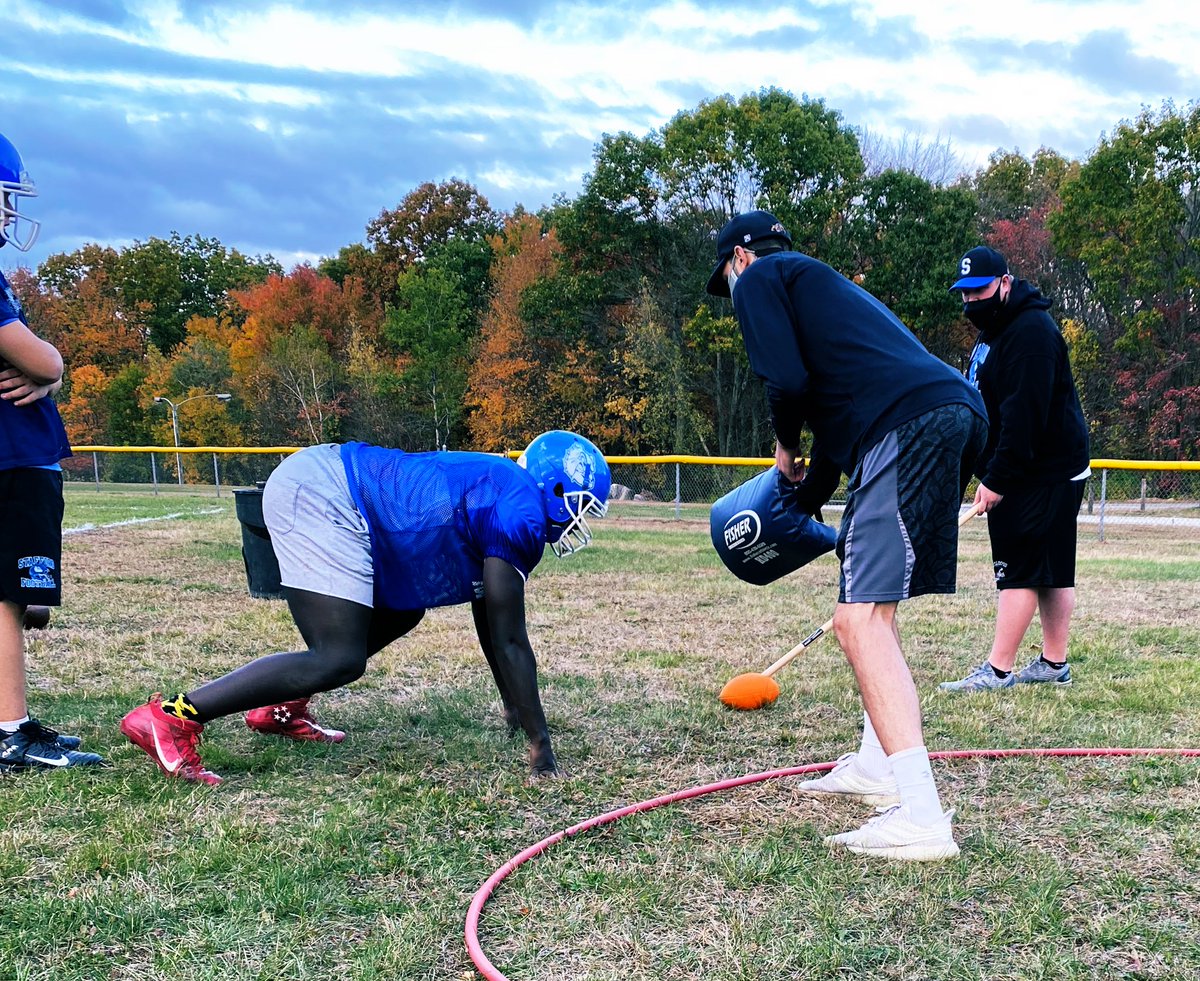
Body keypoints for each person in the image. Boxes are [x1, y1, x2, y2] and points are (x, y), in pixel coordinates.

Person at [706, 211, 988, 861]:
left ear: (740, 259)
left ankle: (920, 814)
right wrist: (807, 494)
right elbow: (837, 412)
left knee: (857, 617)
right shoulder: (823, 289)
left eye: (727, 279)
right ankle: (875, 764)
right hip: (951, 415)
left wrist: (783, 453)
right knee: (874, 606)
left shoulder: (759, 279)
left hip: (906, 423)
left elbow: (789, 384)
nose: (732, 296)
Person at [120, 430, 610, 785]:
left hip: (334, 482)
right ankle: (173, 714)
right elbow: (509, 638)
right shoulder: (520, 507)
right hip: (328, 490)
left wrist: (513, 709)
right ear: (558, 489)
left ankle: (280, 708)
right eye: (581, 506)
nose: (579, 521)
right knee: (337, 655)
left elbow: (491, 622)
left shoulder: (506, 487)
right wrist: (541, 749)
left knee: (402, 611)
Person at [1, 130, 106, 770]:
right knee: (8, 596)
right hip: (11, 461)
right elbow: (40, 356)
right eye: (2, 198)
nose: (10, 212)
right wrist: (54, 367)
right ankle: (10, 728)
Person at [939, 246, 1090, 693]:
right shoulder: (994, 330)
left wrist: (999, 478)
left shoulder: (1031, 335)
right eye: (964, 295)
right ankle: (1053, 663)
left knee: (1021, 568)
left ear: (1005, 283)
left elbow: (1025, 417)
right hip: (1031, 466)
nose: (971, 302)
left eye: (979, 291)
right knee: (1051, 567)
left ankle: (998, 670)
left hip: (1043, 470)